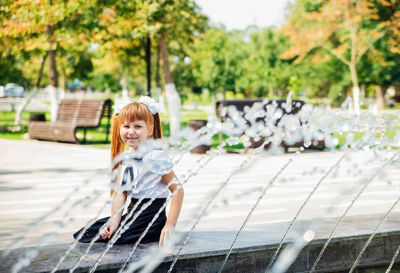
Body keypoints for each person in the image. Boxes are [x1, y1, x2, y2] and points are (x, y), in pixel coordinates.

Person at [73, 96, 184, 246]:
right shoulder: (127, 159)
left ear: (150, 129)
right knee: (91, 231)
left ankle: (152, 233)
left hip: (150, 219)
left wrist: (170, 224)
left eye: (137, 126)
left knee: (115, 239)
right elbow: (121, 194)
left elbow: (178, 190)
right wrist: (114, 221)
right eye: (126, 126)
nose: (131, 132)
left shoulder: (155, 157)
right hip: (133, 215)